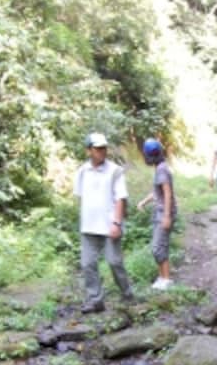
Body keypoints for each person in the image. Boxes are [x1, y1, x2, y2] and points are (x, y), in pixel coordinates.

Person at [73, 132, 133, 313]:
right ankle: (95, 300)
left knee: (115, 262)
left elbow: (120, 198)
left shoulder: (115, 170)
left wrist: (116, 223)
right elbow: (81, 197)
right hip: (89, 226)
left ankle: (127, 293)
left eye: (104, 148)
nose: (102, 151)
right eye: (98, 148)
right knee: (87, 264)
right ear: (89, 150)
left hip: (109, 225)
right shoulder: (82, 171)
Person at [136, 138, 177, 290]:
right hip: (161, 211)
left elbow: (167, 193)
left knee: (158, 246)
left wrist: (167, 216)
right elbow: (156, 193)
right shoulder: (161, 167)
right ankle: (162, 277)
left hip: (164, 213)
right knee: (160, 245)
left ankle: (166, 279)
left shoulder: (161, 169)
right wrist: (143, 202)